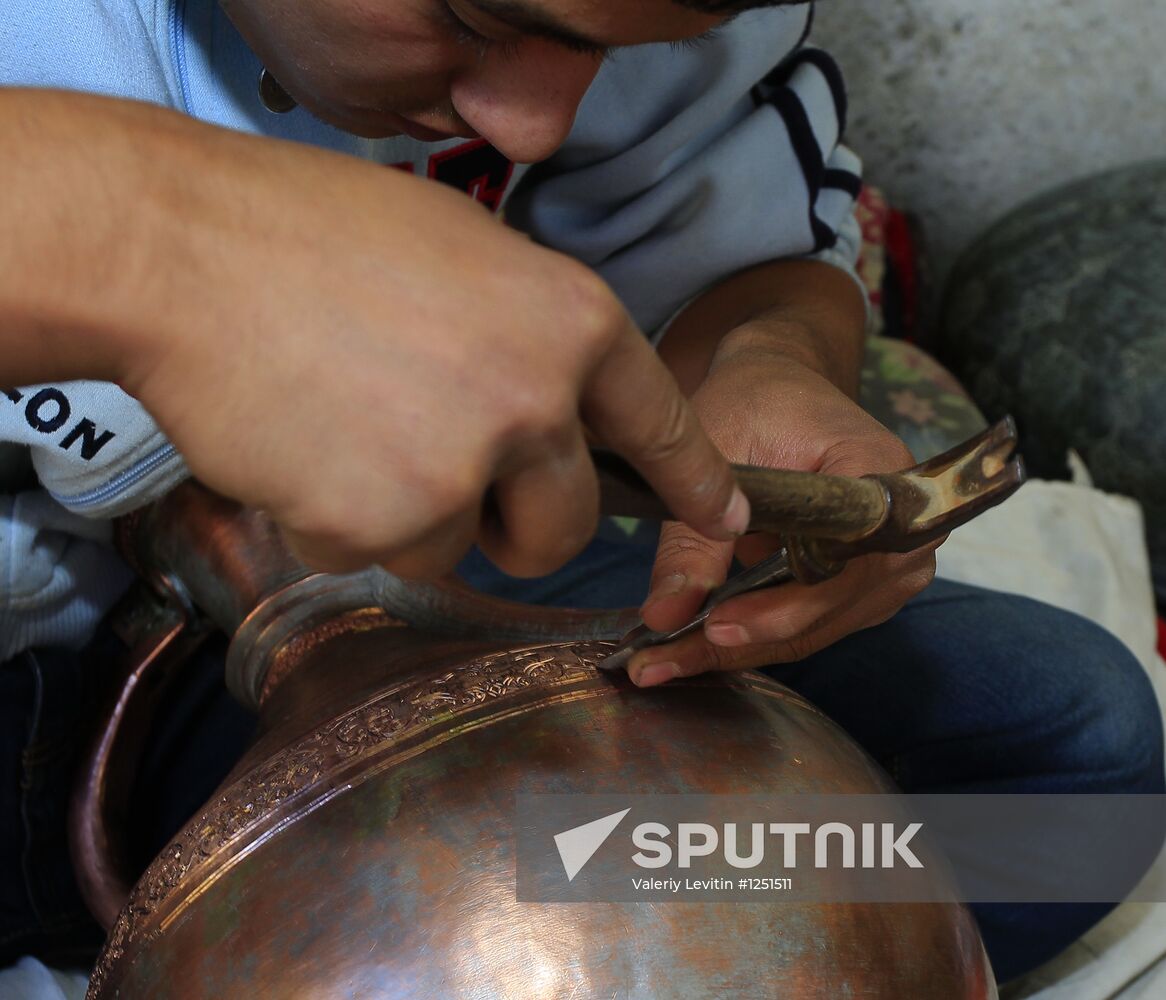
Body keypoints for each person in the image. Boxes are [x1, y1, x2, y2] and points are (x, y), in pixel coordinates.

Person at [0, 0, 1161, 987]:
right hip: (38, 655)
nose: (531, 122)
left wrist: (758, 359)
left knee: (1066, 760)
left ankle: (521, 908)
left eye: (605, 51)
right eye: (472, 16)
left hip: (346, 626)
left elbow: (735, 261)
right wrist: (159, 242)